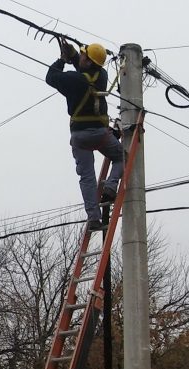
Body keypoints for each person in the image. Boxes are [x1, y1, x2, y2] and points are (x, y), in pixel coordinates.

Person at [45, 38, 125, 231]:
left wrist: (62, 59)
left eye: (83, 55)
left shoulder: (73, 80)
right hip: (100, 134)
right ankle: (111, 185)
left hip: (80, 138)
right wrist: (73, 55)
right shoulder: (102, 75)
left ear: (88, 61)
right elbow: (85, 69)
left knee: (87, 178)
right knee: (121, 156)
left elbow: (51, 77)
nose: (80, 56)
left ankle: (93, 218)